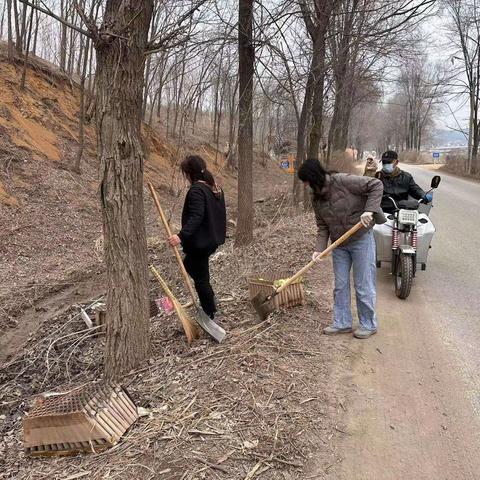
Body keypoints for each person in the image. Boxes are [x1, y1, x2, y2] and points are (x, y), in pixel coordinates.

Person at [298, 159, 385, 339]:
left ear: (313, 177)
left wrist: (369, 210)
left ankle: (368, 324)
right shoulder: (315, 197)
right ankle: (342, 322)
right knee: (340, 285)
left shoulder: (343, 181)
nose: (306, 186)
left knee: (363, 284)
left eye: (306, 181)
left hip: (361, 238)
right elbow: (322, 226)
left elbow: (376, 185)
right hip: (339, 244)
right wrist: (318, 249)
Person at [168, 155, 227, 320]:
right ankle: (211, 299)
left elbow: (197, 215)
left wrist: (181, 236)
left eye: (186, 173)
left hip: (200, 243)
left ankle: (210, 313)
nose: (185, 176)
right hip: (209, 240)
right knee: (190, 267)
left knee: (201, 280)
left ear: (190, 173)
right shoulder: (214, 188)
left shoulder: (197, 190)